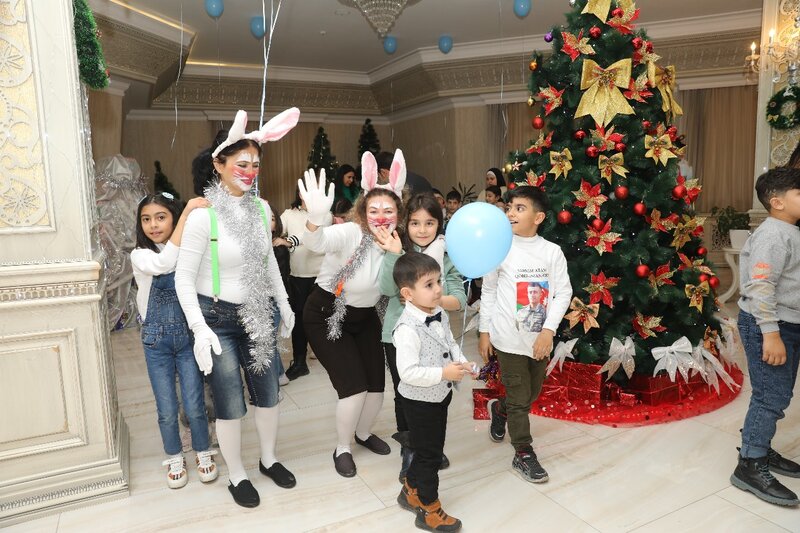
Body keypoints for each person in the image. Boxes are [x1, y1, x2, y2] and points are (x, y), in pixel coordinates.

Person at [176, 108, 299, 508]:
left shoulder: (262, 210)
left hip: (259, 313)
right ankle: (237, 474)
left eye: (256, 164)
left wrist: (283, 302)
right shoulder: (201, 216)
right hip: (217, 320)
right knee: (229, 402)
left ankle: (268, 459)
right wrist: (199, 328)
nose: (249, 170)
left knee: (268, 394)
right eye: (241, 163)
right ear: (220, 164)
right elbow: (182, 279)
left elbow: (266, 263)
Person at [300, 149, 407, 477]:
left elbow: (390, 288)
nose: (381, 216)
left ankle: (362, 434)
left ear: (398, 214)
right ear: (363, 210)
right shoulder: (349, 232)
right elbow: (315, 243)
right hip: (326, 314)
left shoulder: (396, 243)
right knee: (354, 387)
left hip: (364, 318)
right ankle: (342, 446)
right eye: (374, 209)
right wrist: (315, 219)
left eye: (388, 210)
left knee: (376, 388)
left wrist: (396, 252)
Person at [478, 185, 572, 483]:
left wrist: (548, 331)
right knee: (521, 397)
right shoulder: (499, 249)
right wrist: (484, 332)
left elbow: (563, 293)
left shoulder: (551, 252)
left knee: (530, 393)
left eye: (520, 208)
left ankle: (500, 409)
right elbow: (489, 290)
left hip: (539, 340)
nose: (511, 213)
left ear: (539, 217)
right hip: (507, 339)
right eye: (510, 208)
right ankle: (523, 452)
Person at [378, 193, 467, 483]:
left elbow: (460, 298)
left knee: (437, 390)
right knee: (405, 393)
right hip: (400, 334)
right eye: (415, 223)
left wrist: (435, 299)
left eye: (430, 222)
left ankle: (428, 444)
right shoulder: (397, 248)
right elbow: (387, 289)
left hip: (436, 336)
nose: (422, 229)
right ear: (406, 224)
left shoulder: (448, 255)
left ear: (439, 223)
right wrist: (393, 254)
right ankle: (411, 449)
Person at [132, 192, 218, 489]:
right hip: (156, 342)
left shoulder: (188, 249)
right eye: (146, 219)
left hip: (186, 337)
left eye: (160, 217)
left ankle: (203, 450)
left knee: (195, 403)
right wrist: (187, 213)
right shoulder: (141, 255)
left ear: (171, 217)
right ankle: (173, 454)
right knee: (166, 407)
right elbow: (165, 262)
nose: (153, 225)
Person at [731, 167, 800, 506]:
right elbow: (761, 285)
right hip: (768, 326)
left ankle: (760, 447)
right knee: (770, 395)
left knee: (779, 392)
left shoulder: (790, 230)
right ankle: (750, 463)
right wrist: (771, 334)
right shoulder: (774, 234)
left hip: (787, 323)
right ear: (776, 202)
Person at [392, 252, 475, 533]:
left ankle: (410, 488)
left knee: (430, 447)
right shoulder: (406, 330)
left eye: (438, 281)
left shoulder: (436, 311)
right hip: (418, 401)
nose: (439, 289)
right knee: (430, 456)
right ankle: (428, 508)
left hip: (440, 395)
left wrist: (462, 361)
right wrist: (443, 373)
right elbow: (408, 373)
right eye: (429, 285)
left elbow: (450, 342)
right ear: (408, 294)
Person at [281, 187, 333, 380]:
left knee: (323, 317)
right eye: (305, 190)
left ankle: (329, 356)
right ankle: (300, 362)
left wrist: (289, 241)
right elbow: (275, 228)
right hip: (298, 275)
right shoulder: (288, 214)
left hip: (321, 275)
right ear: (300, 193)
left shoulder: (325, 215)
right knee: (299, 320)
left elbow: (310, 237)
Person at [271, 211, 291, 386]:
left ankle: (279, 375)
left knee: (268, 339)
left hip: (274, 299)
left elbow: (281, 278)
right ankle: (278, 374)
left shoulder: (279, 247)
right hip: (256, 299)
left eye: (271, 218)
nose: (268, 222)